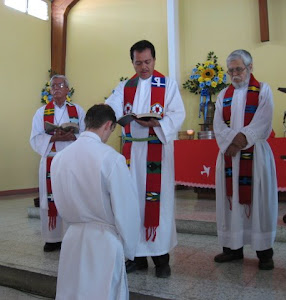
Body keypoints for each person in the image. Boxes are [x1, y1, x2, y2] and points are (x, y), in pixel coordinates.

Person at [105, 40, 185, 278]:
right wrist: (119, 115)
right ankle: (136, 256)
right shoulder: (124, 86)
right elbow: (111, 107)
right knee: (131, 203)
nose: (143, 67)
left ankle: (161, 259)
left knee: (157, 204)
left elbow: (178, 113)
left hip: (156, 151)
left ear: (154, 60)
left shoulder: (167, 84)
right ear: (132, 62)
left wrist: (157, 123)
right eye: (138, 63)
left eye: (147, 62)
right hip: (131, 153)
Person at [51, 104, 140, 300]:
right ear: (108, 125)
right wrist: (129, 246)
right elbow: (126, 209)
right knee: (102, 292)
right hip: (103, 241)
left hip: (72, 237)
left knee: (72, 292)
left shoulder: (59, 158)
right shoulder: (111, 158)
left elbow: (58, 198)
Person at [213, 49, 277, 270]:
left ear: (250, 67)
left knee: (258, 203)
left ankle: (264, 252)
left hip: (255, 156)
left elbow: (263, 120)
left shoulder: (262, 90)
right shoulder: (223, 95)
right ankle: (233, 249)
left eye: (238, 69)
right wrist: (230, 144)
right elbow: (218, 124)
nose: (235, 74)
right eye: (231, 70)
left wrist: (238, 142)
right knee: (230, 204)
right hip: (229, 157)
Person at [30, 75, 85, 252]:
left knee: (71, 197)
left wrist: (72, 136)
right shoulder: (41, 112)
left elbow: (86, 134)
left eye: (60, 85)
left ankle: (71, 237)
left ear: (68, 89)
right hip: (51, 159)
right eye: (53, 86)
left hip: (72, 160)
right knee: (50, 198)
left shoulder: (78, 110)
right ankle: (52, 238)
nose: (56, 88)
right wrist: (55, 136)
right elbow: (35, 137)